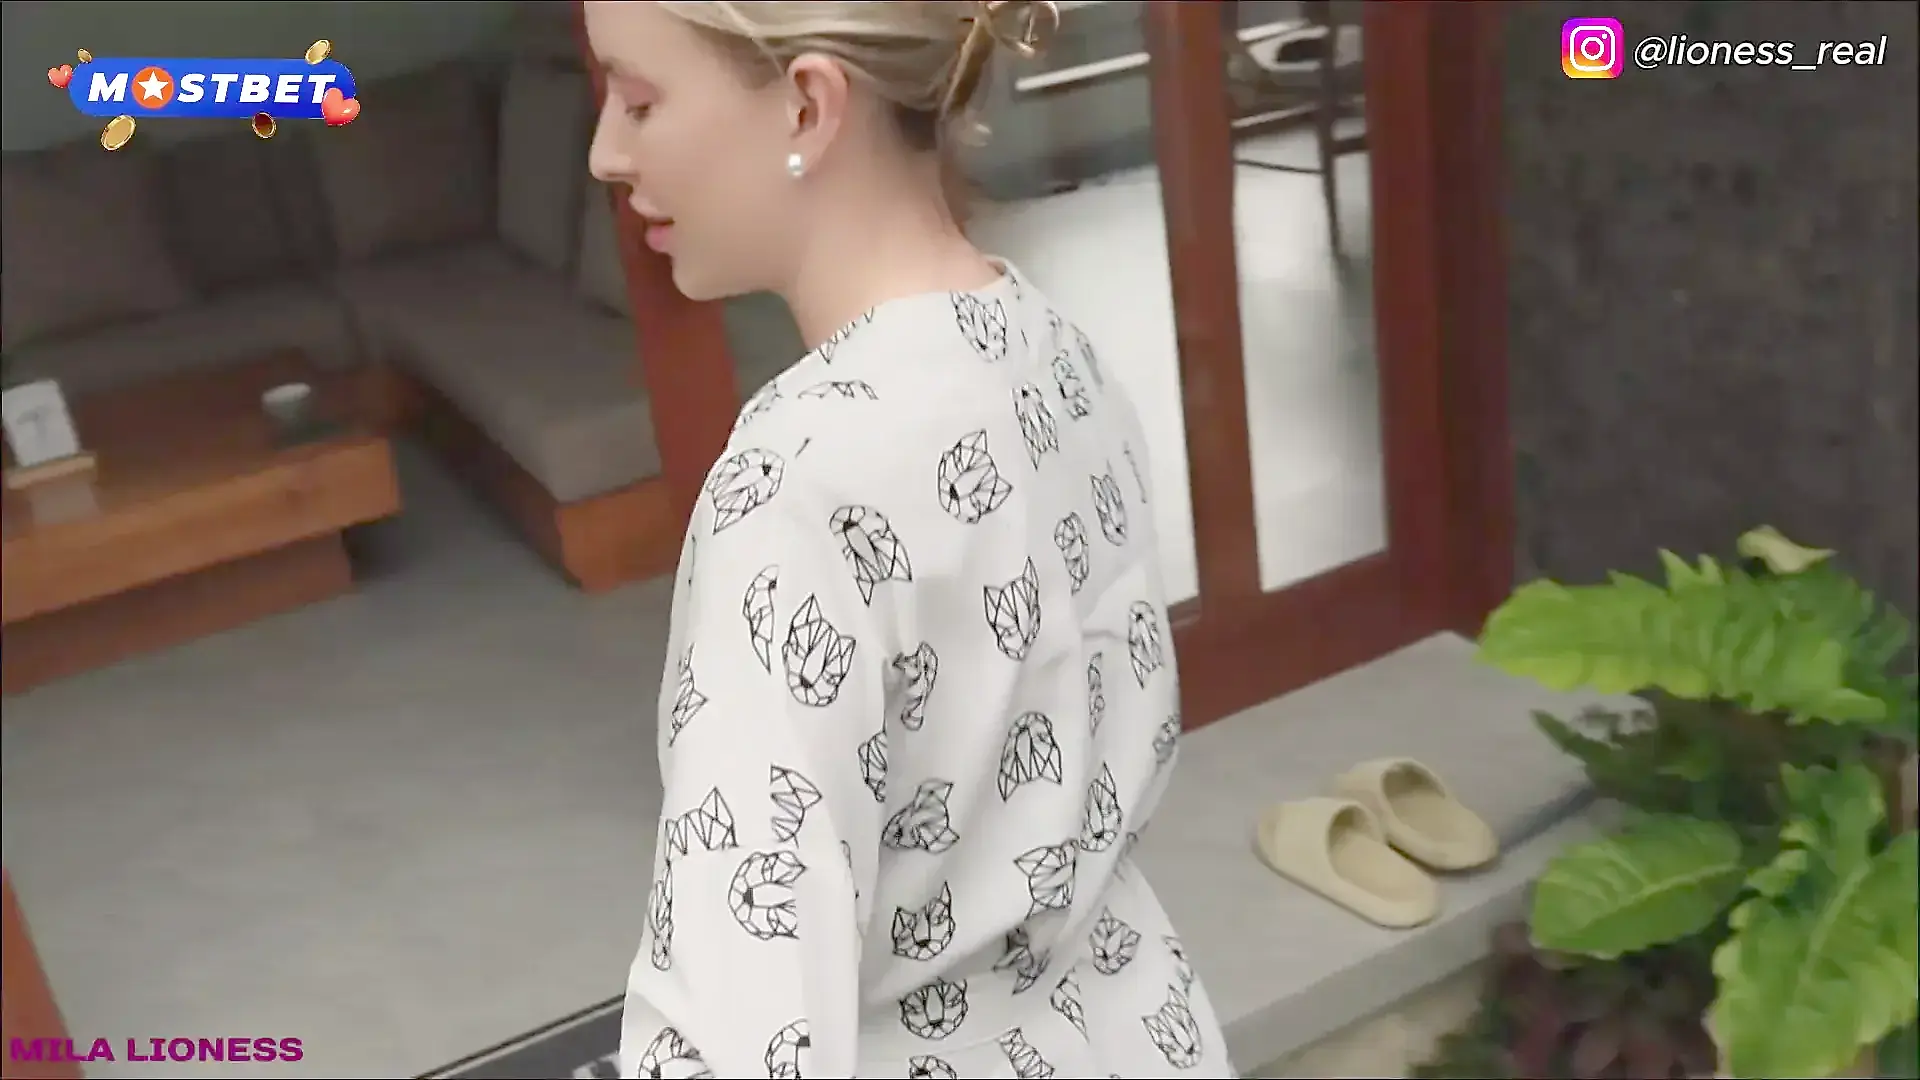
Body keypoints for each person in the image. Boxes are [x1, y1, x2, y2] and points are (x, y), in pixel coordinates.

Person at [584, 2, 1235, 1076]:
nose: (607, 152)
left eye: (640, 101)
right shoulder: (1055, 352)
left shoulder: (796, 486)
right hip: (1136, 1032)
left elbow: (751, 1017)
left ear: (808, 104)